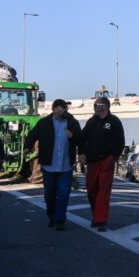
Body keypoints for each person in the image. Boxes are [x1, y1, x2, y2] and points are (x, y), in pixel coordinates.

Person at [25, 99, 82, 230]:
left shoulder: (72, 123)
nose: (61, 110)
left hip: (65, 166)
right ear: (54, 109)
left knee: (63, 193)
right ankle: (51, 216)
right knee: (49, 193)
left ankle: (60, 220)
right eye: (59, 107)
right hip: (48, 165)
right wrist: (27, 147)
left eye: (63, 108)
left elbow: (80, 140)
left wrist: (73, 136)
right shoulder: (44, 122)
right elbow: (32, 135)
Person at [78, 97, 124, 231]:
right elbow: (82, 138)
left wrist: (113, 157)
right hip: (92, 161)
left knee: (103, 192)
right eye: (95, 105)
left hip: (106, 161)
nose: (96, 107)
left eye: (98, 105)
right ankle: (96, 215)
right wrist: (81, 153)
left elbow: (120, 141)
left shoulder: (114, 121)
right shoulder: (91, 122)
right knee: (92, 190)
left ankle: (101, 220)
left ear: (106, 107)